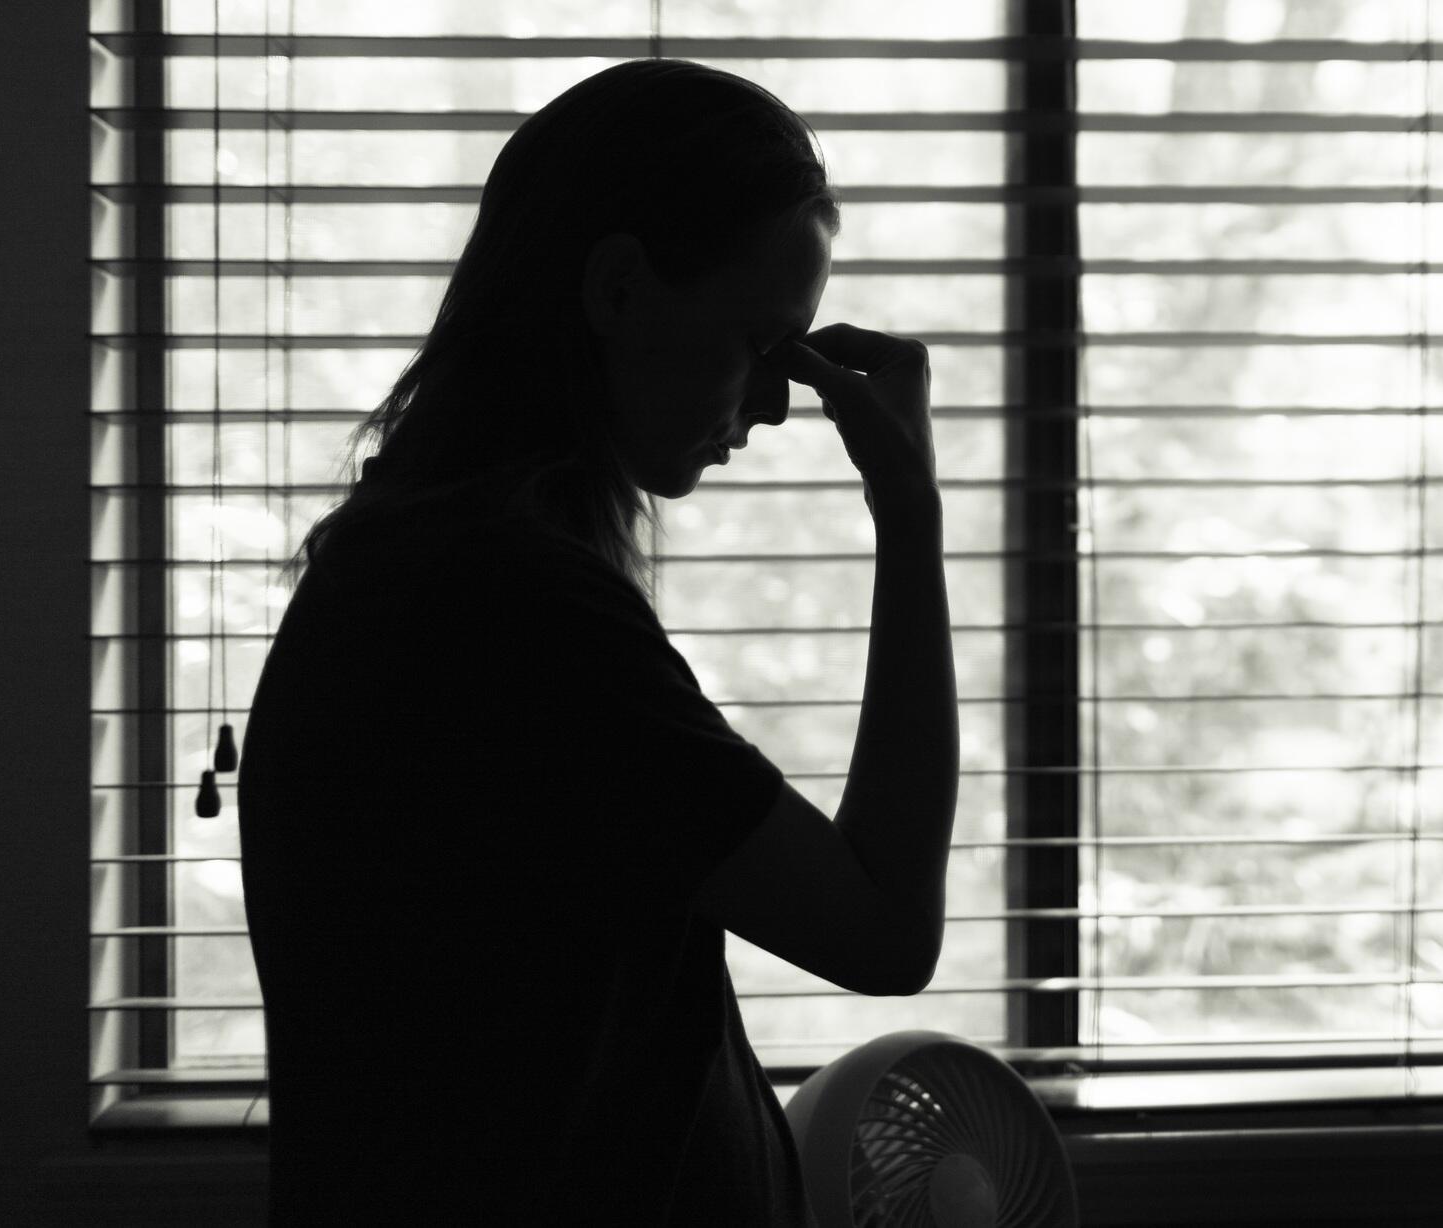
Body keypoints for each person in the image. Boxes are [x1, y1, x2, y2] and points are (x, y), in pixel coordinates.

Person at [233, 58, 957, 1225]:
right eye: (759, 342)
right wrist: (909, 510)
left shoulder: (437, 567)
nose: (777, 406)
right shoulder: (509, 615)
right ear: (617, 287)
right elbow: (882, 930)